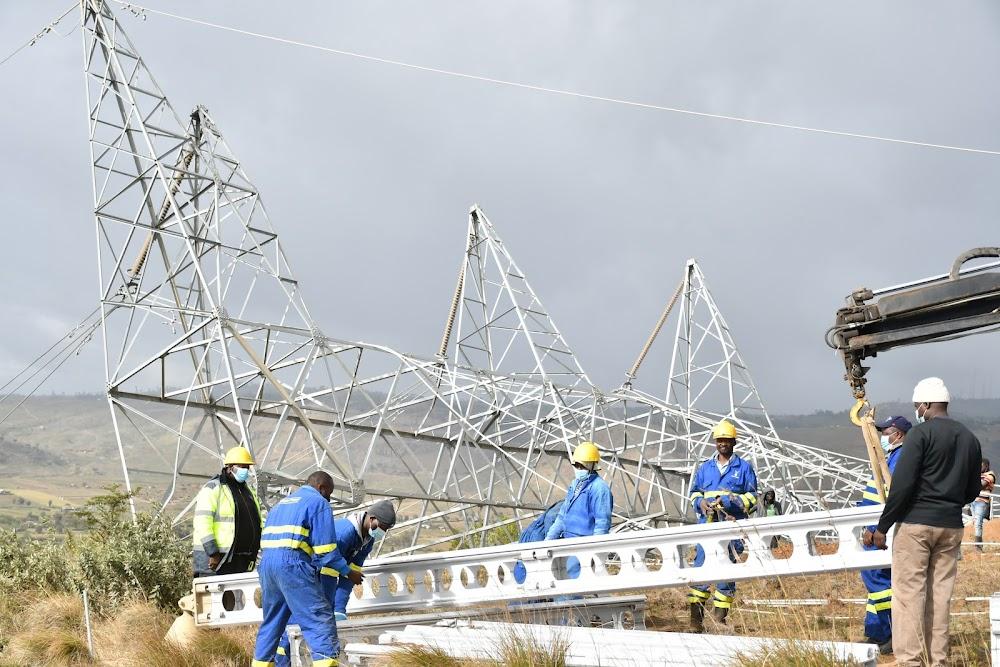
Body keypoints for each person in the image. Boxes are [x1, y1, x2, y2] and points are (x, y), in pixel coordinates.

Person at [865, 377, 982, 667]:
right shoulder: (969, 438)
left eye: (918, 406)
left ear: (927, 405)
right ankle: (938, 661)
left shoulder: (920, 435)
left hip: (916, 526)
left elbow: (902, 487)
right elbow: (972, 490)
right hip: (951, 526)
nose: (918, 410)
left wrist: (882, 528)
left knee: (908, 595)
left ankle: (911, 661)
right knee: (940, 597)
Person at [252, 471, 363, 667]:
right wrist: (348, 572)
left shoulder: (280, 506)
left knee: (273, 622)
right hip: (292, 565)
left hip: (268, 565)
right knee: (319, 619)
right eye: (329, 493)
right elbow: (327, 551)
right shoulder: (318, 503)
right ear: (321, 488)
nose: (329, 498)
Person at [274, 500, 397, 667]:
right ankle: (282, 661)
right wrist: (330, 606)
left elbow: (351, 576)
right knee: (299, 622)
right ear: (372, 518)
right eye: (383, 527)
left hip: (322, 579)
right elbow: (328, 572)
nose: (383, 532)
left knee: (317, 626)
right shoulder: (343, 533)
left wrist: (339, 608)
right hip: (309, 578)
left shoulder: (367, 541)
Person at [687, 419, 758, 632]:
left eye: (727, 440)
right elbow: (694, 493)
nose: (723, 444)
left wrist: (728, 502)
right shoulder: (705, 469)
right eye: (720, 440)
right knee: (700, 573)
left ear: (734, 442)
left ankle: (719, 621)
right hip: (707, 528)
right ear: (715, 442)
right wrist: (701, 503)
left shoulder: (744, 468)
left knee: (726, 577)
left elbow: (753, 498)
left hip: (731, 528)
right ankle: (695, 623)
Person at [857, 415, 911, 655]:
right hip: (872, 526)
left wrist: (873, 528)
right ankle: (876, 633)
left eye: (885, 431)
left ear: (897, 434)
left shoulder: (901, 458)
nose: (882, 436)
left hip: (880, 531)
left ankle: (892, 633)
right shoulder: (889, 456)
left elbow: (889, 496)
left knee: (879, 582)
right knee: (875, 584)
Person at [544, 441, 614, 581]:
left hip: (584, 545)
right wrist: (548, 540)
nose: (578, 468)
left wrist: (596, 551)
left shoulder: (599, 489)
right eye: (576, 465)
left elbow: (602, 523)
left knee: (579, 583)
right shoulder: (575, 485)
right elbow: (563, 515)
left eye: (581, 465)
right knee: (566, 581)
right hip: (568, 542)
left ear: (592, 465)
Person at [192, 446, 262, 578]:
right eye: (242, 466)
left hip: (241, 560)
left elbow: (258, 522)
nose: (245, 471)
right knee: (215, 598)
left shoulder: (248, 492)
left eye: (247, 467)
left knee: (236, 599)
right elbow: (202, 523)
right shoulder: (213, 488)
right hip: (217, 561)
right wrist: (213, 553)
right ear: (230, 467)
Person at [971, 458, 996, 551]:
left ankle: (978, 546)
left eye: (981, 465)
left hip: (982, 502)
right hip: (973, 501)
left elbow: (981, 485)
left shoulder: (990, 475)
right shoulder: (978, 475)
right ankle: (978, 545)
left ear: (986, 466)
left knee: (978, 523)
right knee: (975, 522)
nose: (979, 467)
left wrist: (971, 481)